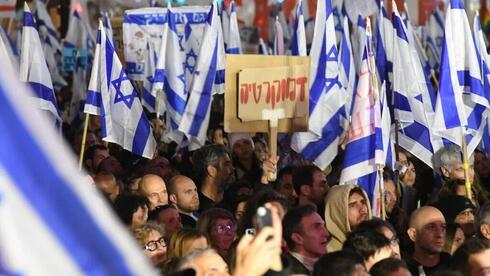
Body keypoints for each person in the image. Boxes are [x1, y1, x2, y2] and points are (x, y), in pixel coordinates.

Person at [282, 204, 330, 274]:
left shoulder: (332, 265)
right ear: (297, 238)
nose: (326, 234)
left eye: (324, 226)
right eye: (317, 227)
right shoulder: (285, 271)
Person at [404, 206, 451, 275]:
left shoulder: (456, 267)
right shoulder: (400, 270)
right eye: (431, 227)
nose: (440, 235)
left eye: (443, 227)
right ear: (413, 234)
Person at [325, 184, 372, 252]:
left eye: (363, 202)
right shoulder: (331, 252)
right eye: (352, 205)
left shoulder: (377, 240)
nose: (362, 209)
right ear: (337, 212)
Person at [192, 145, 235, 212]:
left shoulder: (235, 200)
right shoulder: (195, 209)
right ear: (211, 171)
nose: (233, 168)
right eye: (226, 164)